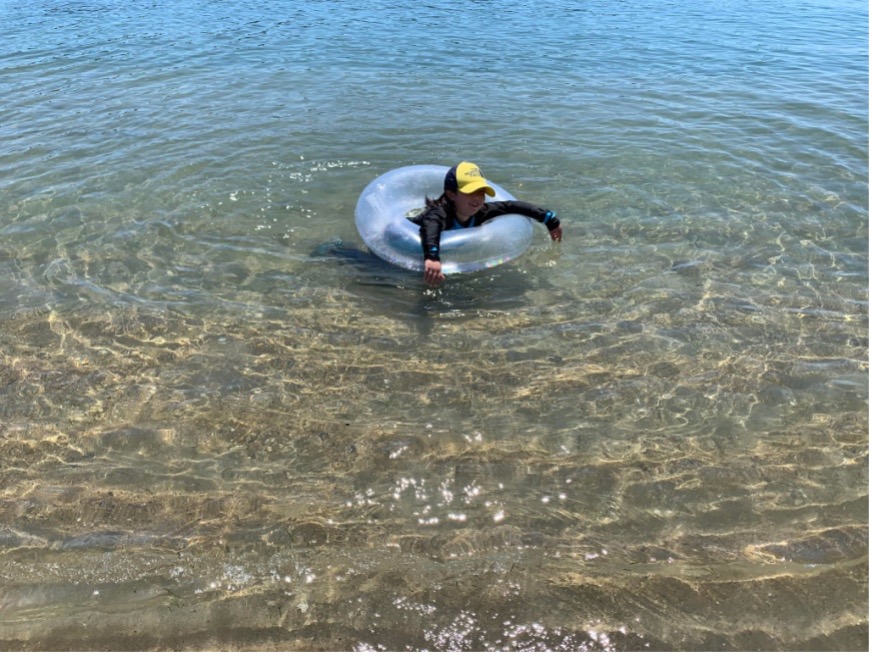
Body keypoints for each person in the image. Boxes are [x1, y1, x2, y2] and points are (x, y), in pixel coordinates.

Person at [408, 162, 563, 287]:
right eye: (470, 192)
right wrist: (432, 258)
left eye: (481, 192)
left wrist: (550, 219)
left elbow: (511, 206)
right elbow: (431, 227)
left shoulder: (482, 212)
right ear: (451, 194)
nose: (477, 198)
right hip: (410, 247)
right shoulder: (438, 215)